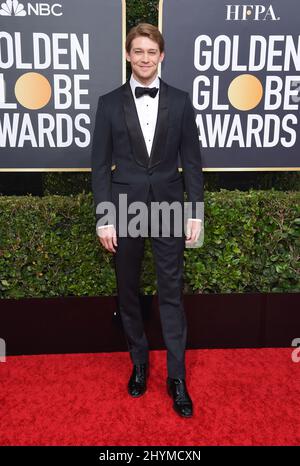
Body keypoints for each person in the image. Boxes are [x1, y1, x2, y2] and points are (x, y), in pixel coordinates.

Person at [91, 23, 204, 418]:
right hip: (124, 209)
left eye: (150, 52)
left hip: (170, 207)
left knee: (171, 293)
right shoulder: (108, 103)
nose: (144, 58)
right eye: (137, 51)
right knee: (128, 291)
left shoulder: (181, 100)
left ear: (162, 56)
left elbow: (192, 161)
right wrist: (105, 218)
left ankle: (177, 378)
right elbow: (100, 166)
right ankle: (139, 363)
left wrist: (196, 211)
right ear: (128, 55)